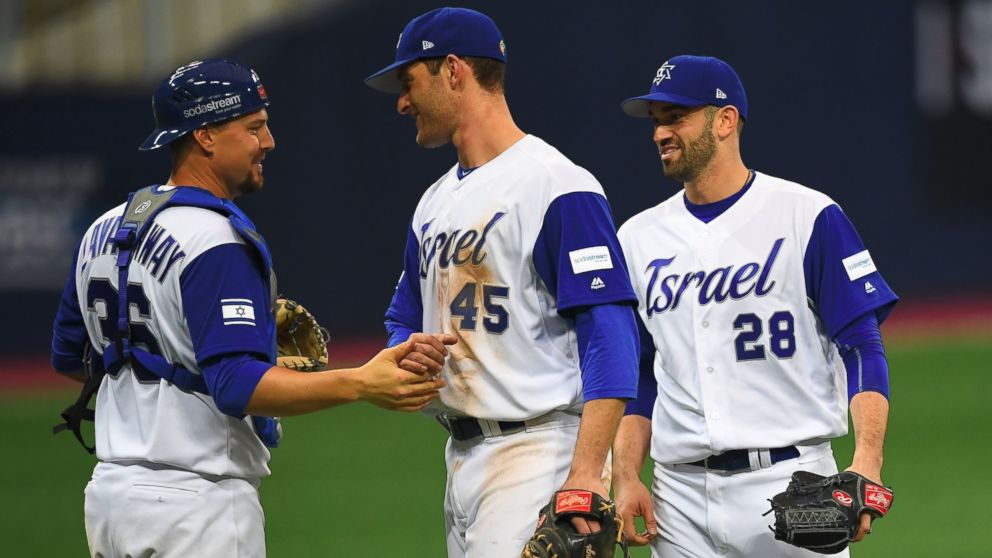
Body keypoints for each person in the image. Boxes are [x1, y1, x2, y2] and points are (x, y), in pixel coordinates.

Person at [50, 58, 453, 558]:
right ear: (206, 136)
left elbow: (71, 357)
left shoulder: (103, 229)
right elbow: (237, 384)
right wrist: (361, 383)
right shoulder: (213, 238)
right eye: (254, 127)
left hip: (110, 501)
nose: (269, 142)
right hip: (194, 509)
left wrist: (167, 366)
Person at [364, 7, 640, 556]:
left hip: (539, 453)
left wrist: (586, 474)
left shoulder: (556, 185)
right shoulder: (433, 202)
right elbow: (403, 313)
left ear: (453, 71)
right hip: (462, 458)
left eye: (408, 80)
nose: (401, 101)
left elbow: (611, 332)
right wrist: (405, 350)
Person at [610, 54, 898, 557]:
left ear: (725, 121)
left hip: (794, 484)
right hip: (678, 499)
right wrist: (626, 473)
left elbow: (862, 347)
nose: (660, 133)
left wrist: (867, 460)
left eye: (676, 117)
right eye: (656, 122)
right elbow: (641, 375)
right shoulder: (636, 238)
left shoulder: (807, 216)